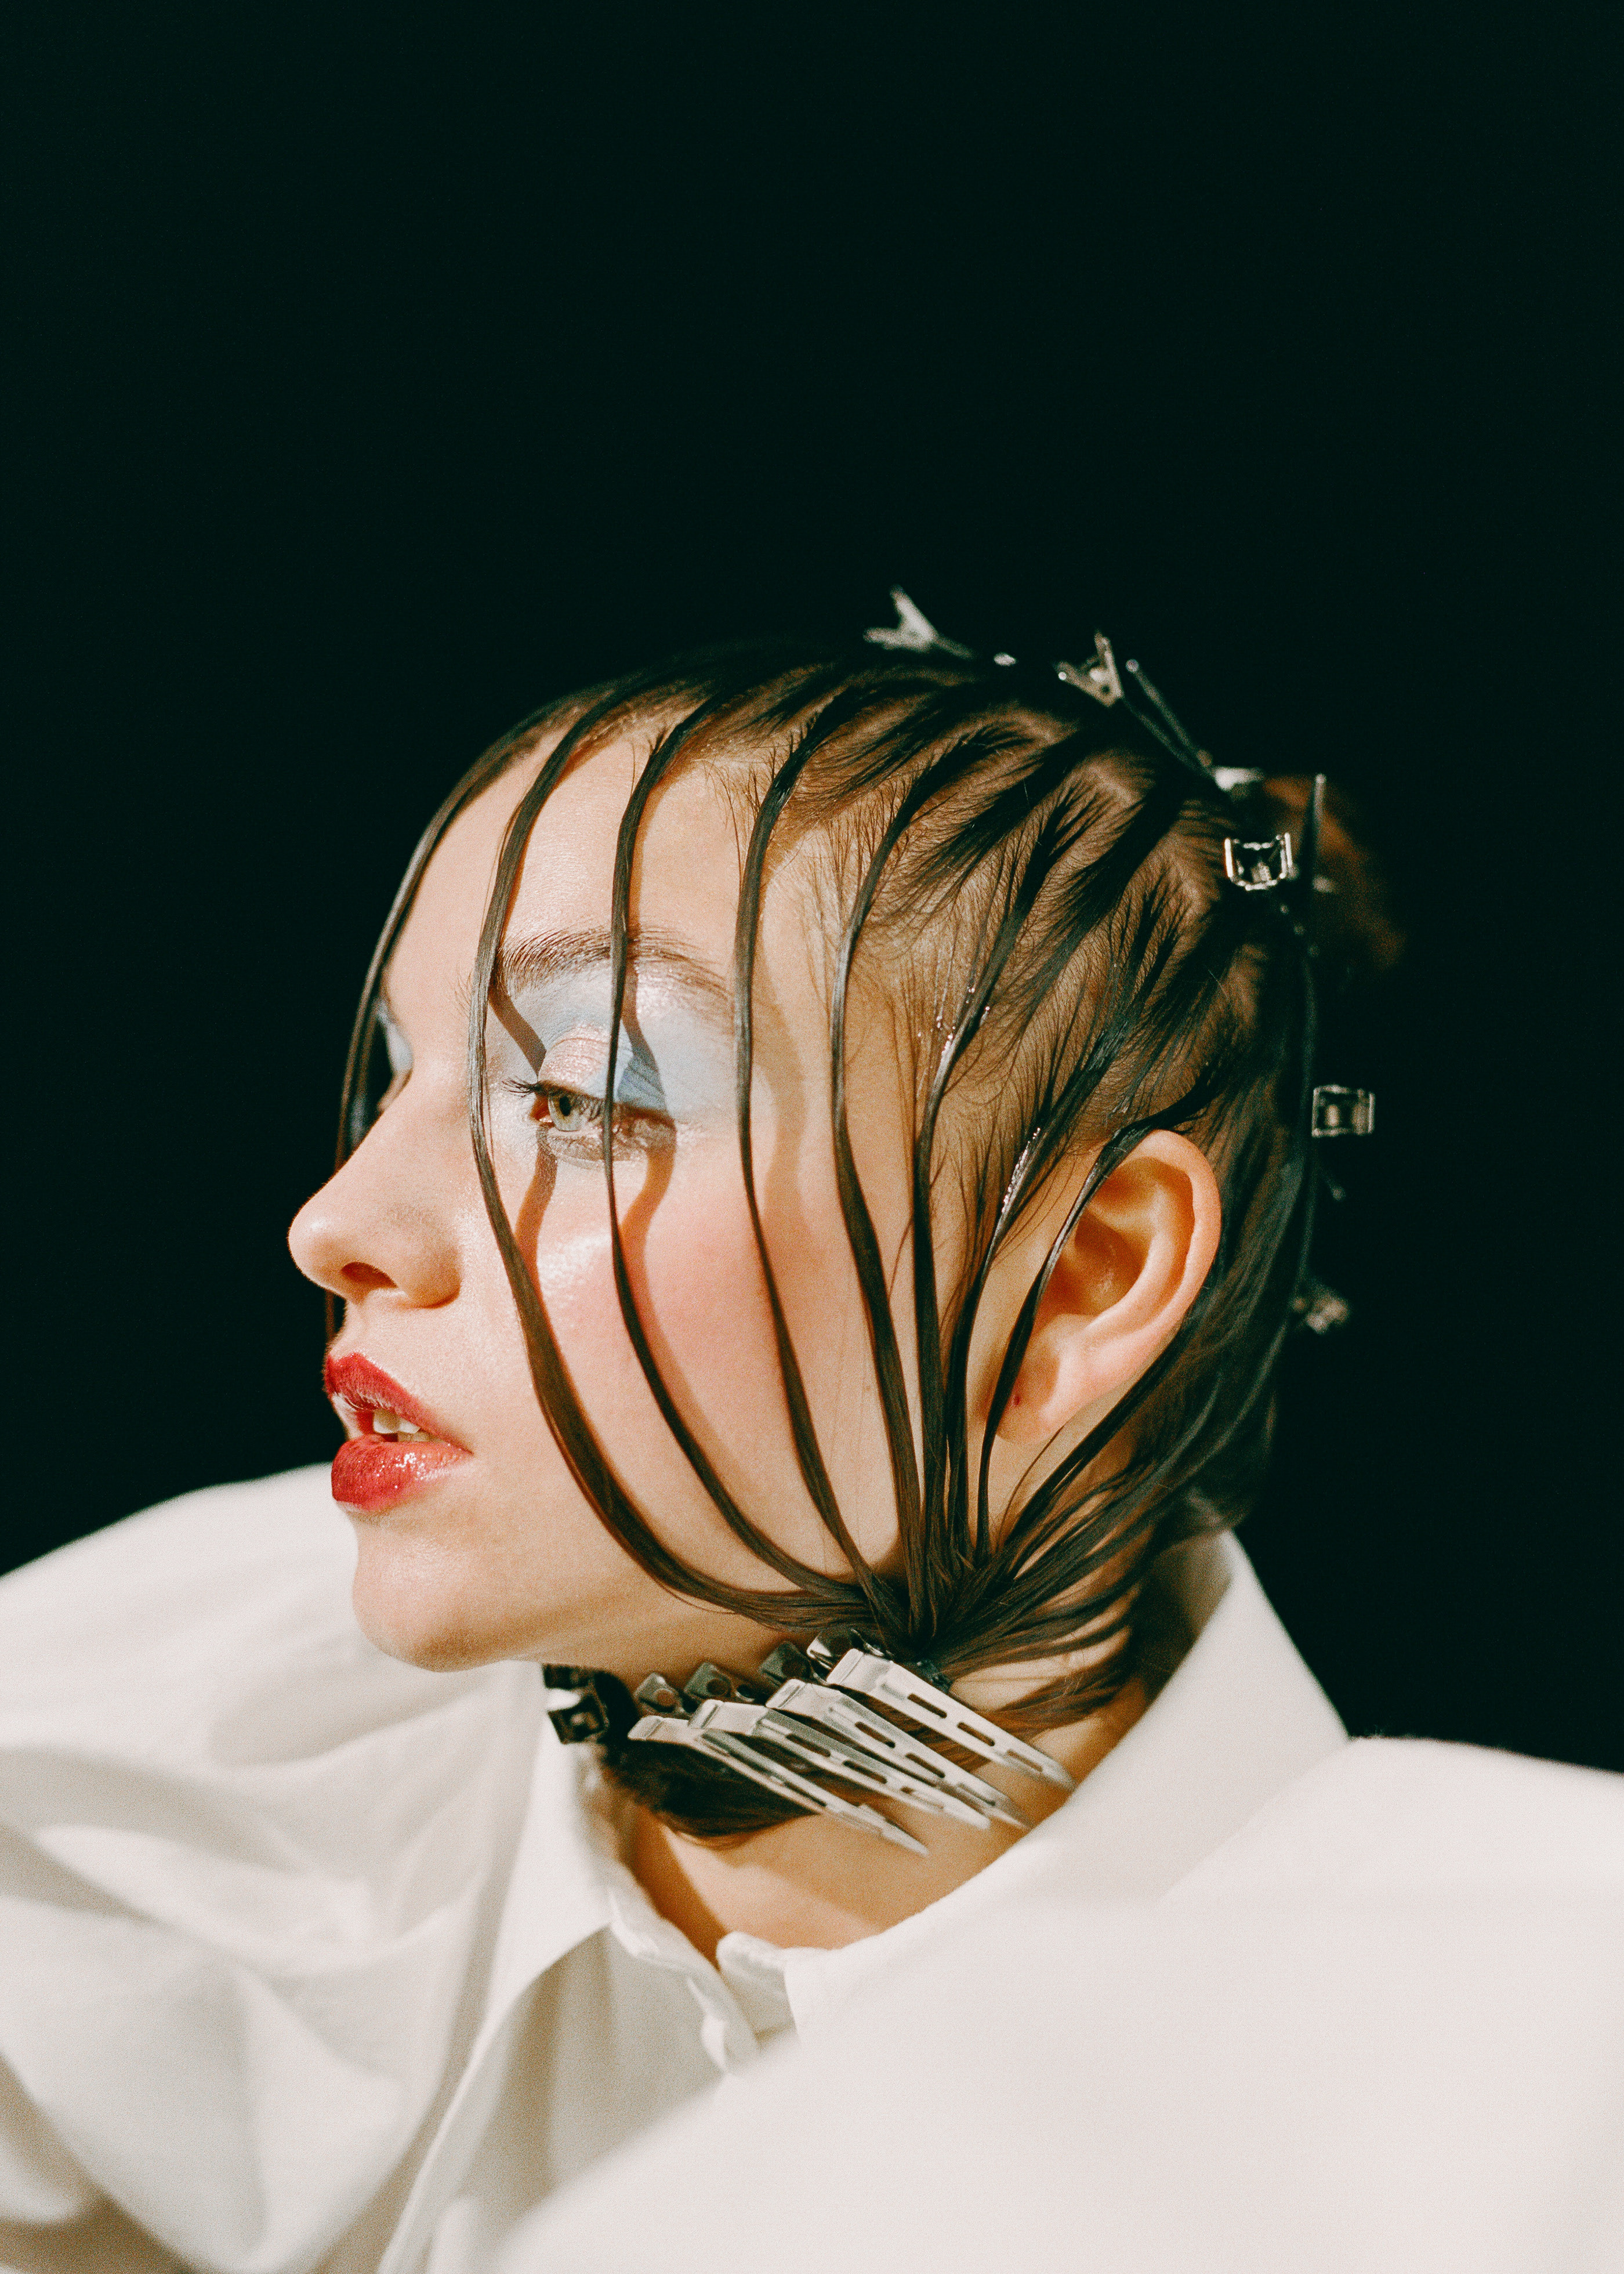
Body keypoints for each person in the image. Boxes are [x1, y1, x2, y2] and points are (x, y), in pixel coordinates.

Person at [1, 599, 1618, 2274]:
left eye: (578, 1096)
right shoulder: (196, 1755)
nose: (337, 1223)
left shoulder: (1534, 2065)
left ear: (1078, 1274)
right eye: (399, 1077)